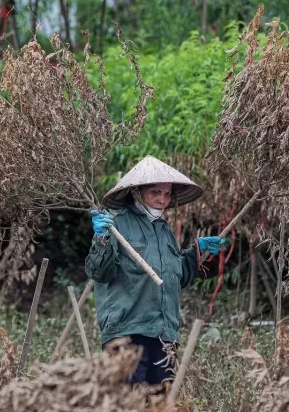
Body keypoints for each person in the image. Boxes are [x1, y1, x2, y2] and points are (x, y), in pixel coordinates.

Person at [85, 155, 227, 392]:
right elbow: (99, 272)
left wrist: (196, 254)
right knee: (128, 406)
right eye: (155, 192)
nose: (162, 199)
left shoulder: (165, 232)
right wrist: (100, 238)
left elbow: (175, 277)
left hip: (163, 334)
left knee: (162, 409)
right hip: (126, 332)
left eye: (167, 194)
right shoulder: (116, 226)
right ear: (137, 193)